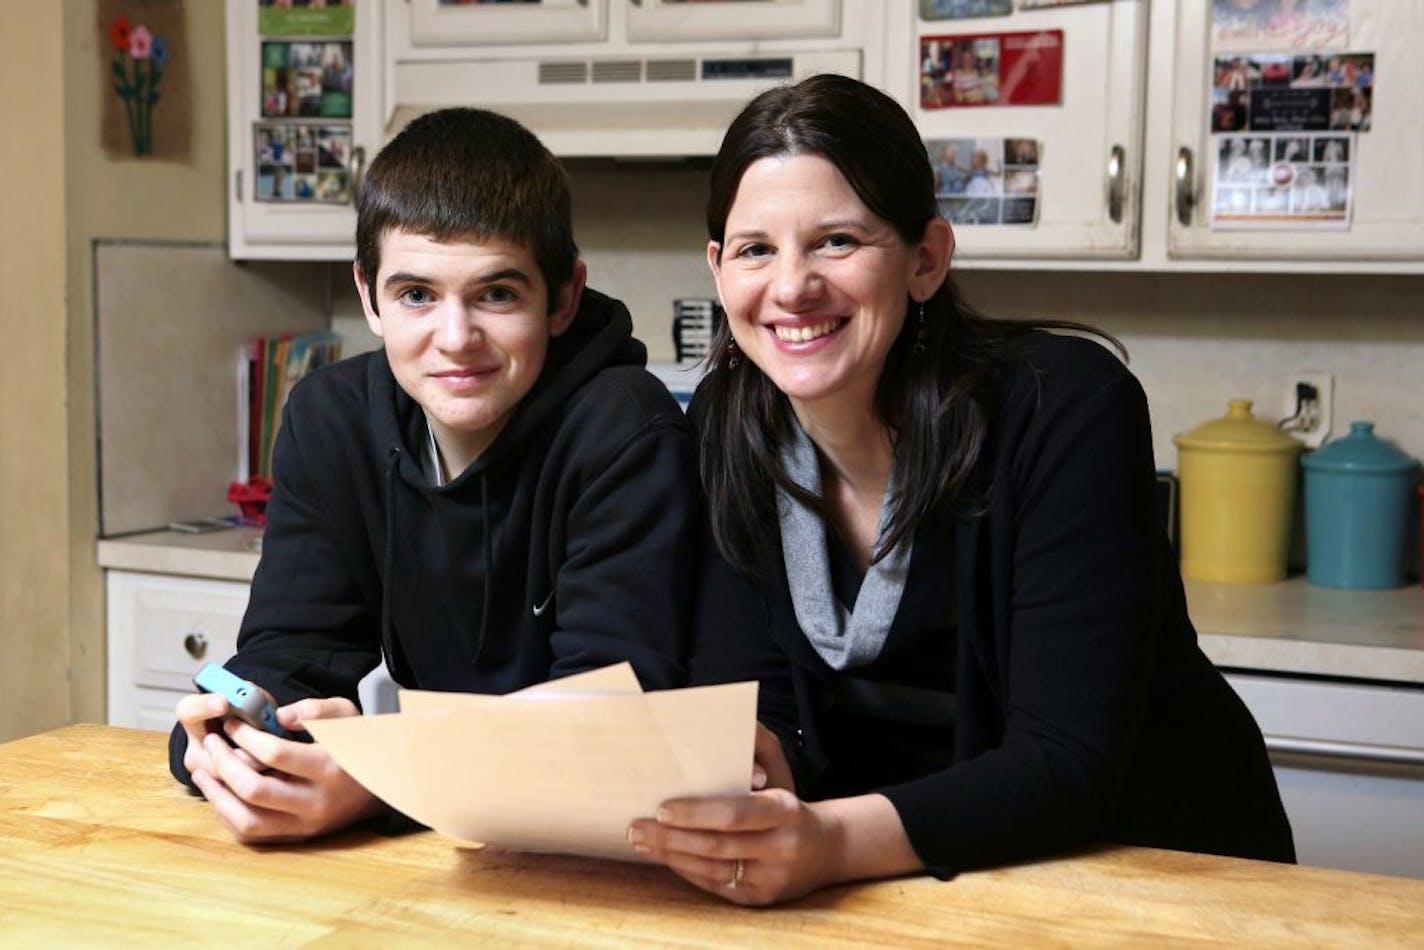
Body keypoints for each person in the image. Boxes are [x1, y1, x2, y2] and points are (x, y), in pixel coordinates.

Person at [626, 74, 1293, 905]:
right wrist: (753, 761)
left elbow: (1065, 761)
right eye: (757, 249)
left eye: (837, 241)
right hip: (919, 890)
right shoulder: (731, 416)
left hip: (1157, 880)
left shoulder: (1066, 407)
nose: (792, 287)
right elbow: (758, 692)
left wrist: (827, 841)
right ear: (720, 271)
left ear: (926, 259)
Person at [171, 107, 700, 842]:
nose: (456, 340)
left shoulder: (626, 430)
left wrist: (381, 780)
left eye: (497, 294)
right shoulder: (333, 419)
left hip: (602, 861)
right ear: (368, 295)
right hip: (436, 852)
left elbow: (607, 729)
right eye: (417, 294)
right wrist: (238, 737)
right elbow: (289, 655)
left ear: (564, 296)